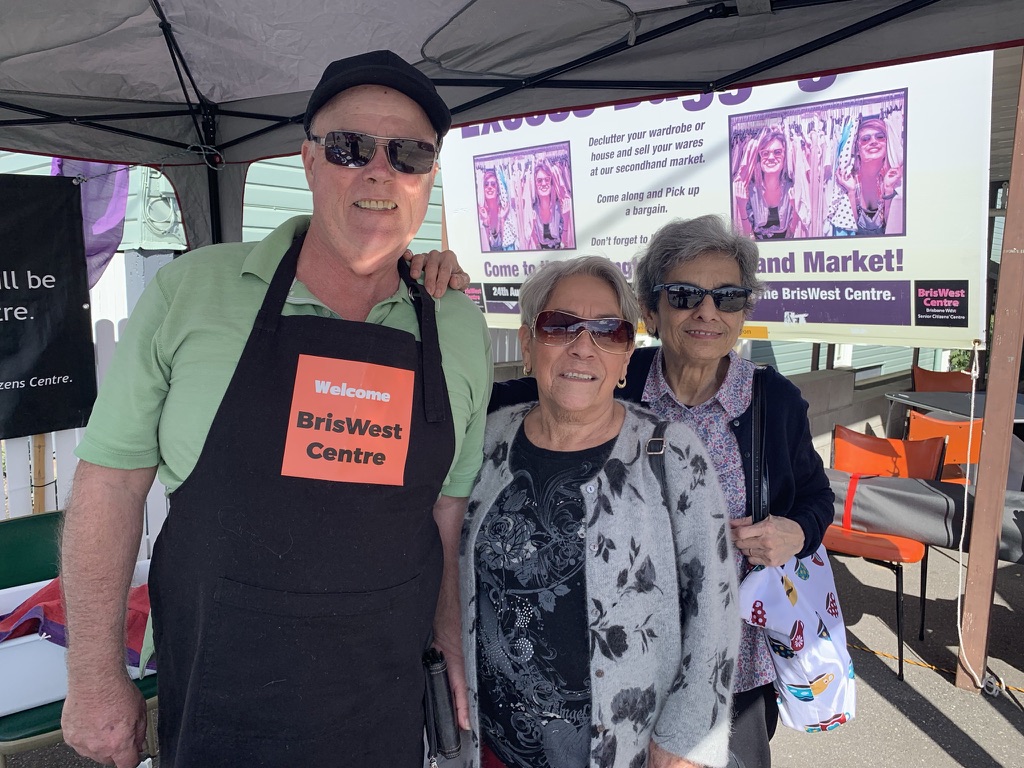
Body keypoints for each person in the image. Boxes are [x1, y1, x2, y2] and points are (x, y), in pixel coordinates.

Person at [59, 50, 491, 768]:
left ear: (428, 177)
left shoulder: (457, 324)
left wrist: (447, 635)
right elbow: (111, 482)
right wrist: (93, 676)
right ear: (309, 160)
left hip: (379, 701)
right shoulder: (191, 293)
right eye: (350, 148)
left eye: (409, 154)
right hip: (219, 695)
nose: (379, 172)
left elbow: (445, 511)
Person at [490, 216, 834, 768]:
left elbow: (817, 497)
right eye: (684, 296)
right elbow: (501, 394)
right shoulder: (617, 372)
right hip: (615, 664)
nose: (707, 312)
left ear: (743, 312)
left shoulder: (774, 402)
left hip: (731, 669)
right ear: (651, 312)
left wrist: (795, 532)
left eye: (727, 297)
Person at [463, 256, 739, 768]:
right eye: (559, 326)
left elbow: (715, 613)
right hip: (492, 746)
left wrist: (685, 741)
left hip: (627, 751)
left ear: (626, 357)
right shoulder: (485, 441)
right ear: (527, 345)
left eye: (609, 331)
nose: (583, 346)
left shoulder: (673, 454)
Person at [833, 116, 904, 236]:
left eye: (880, 137)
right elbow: (852, 227)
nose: (873, 142)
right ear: (857, 149)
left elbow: (891, 226)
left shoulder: (895, 179)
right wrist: (851, 192)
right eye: (865, 139)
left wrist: (888, 189)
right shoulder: (850, 180)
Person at [740, 130, 797, 240]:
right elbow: (747, 234)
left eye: (777, 152)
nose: (771, 158)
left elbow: (792, 233)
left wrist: (795, 209)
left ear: (785, 156)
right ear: (760, 158)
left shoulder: (791, 188)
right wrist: (742, 207)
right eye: (765, 153)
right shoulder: (749, 190)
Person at [530, 160, 571, 249]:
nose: (544, 183)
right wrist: (532, 227)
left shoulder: (560, 206)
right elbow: (537, 246)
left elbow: (565, 245)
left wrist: (566, 219)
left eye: (547, 179)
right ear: (535, 184)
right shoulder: (533, 210)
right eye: (539, 181)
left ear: (551, 182)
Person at [479, 167, 516, 251]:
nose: (489, 187)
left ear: (498, 189)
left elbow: (503, 243)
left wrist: (501, 218)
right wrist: (485, 220)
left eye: (493, 184)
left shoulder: (503, 210)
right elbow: (486, 244)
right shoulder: (481, 212)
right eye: (486, 184)